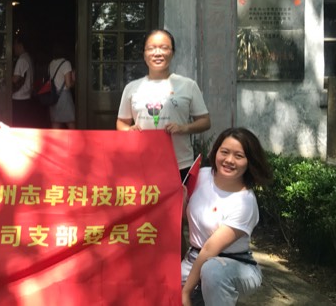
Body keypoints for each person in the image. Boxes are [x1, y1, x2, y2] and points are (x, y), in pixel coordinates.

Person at [181, 127, 274, 305]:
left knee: (212, 272)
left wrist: (185, 292)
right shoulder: (202, 175)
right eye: (224, 152)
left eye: (239, 156)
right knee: (157, 287)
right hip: (193, 260)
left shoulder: (245, 202)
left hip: (233, 266)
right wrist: (182, 201)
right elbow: (190, 221)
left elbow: (210, 249)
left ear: (249, 161)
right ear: (215, 152)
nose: (229, 160)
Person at [116, 29, 211, 176]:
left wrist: (183, 128)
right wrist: (129, 131)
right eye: (151, 48)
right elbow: (121, 122)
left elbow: (205, 121)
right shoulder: (132, 88)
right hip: (142, 161)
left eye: (164, 48)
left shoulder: (188, 85)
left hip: (179, 163)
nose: (157, 53)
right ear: (144, 54)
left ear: (172, 53)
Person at [11, 33, 36, 127]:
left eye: (15, 44)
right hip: (27, 96)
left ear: (20, 45)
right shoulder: (28, 58)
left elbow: (15, 79)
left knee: (18, 125)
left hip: (19, 98)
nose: (13, 47)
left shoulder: (21, 60)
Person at [48, 44, 76, 129]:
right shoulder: (66, 63)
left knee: (55, 124)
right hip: (64, 97)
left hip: (53, 96)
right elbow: (68, 84)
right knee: (71, 123)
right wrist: (74, 80)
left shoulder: (51, 63)